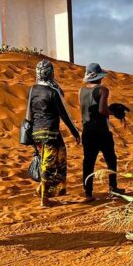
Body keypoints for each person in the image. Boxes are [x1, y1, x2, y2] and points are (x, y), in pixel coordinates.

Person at [28, 59, 81, 207]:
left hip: (36, 133)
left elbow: (28, 113)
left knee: (48, 163)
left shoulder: (33, 89)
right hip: (51, 133)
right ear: (51, 73)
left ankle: (42, 191)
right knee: (53, 164)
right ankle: (44, 199)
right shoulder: (53, 91)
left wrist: (30, 134)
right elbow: (64, 114)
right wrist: (75, 132)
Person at [79, 63, 127, 201]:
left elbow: (83, 110)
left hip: (87, 131)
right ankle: (113, 188)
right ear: (99, 77)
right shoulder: (103, 90)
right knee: (111, 159)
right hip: (101, 131)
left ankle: (88, 192)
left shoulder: (81, 91)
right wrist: (113, 112)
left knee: (88, 162)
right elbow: (102, 110)